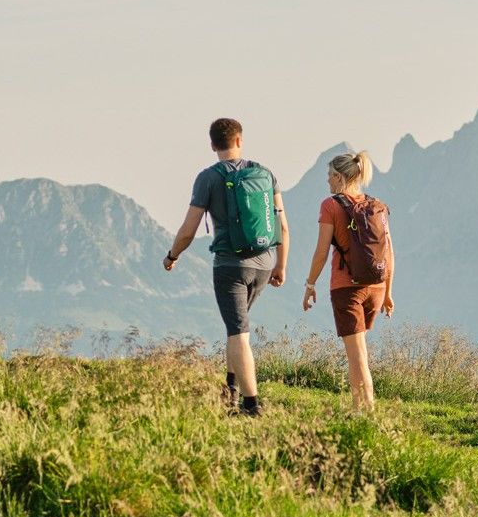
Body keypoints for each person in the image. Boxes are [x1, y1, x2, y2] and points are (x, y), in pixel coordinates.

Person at [162, 117, 289, 415]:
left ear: (212, 145)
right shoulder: (265, 174)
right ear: (240, 140)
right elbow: (283, 227)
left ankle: (250, 405)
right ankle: (230, 385)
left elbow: (188, 229)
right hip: (264, 264)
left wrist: (172, 255)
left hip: (231, 266)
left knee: (238, 332)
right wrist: (280, 266)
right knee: (236, 328)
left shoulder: (208, 177)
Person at [301, 150, 395, 410]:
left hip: (347, 288)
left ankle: (364, 415)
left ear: (341, 177)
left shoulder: (330, 206)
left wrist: (310, 284)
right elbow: (388, 253)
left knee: (357, 357)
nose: (328, 181)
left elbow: (321, 251)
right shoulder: (376, 206)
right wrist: (387, 292)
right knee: (360, 352)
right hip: (375, 287)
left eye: (330, 176)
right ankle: (364, 411)